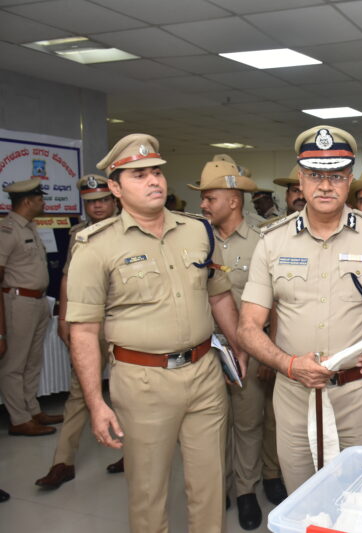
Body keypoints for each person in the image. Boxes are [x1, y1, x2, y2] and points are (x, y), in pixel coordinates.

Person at [66, 133, 246, 533]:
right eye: (139, 175)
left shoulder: (198, 231)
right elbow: (84, 331)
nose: (153, 181)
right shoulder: (95, 246)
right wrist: (96, 403)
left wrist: (239, 348)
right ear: (115, 188)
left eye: (157, 172)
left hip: (204, 373)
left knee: (210, 484)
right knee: (148, 491)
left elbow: (219, 296)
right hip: (143, 381)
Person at [237, 125, 362, 494]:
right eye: (314, 175)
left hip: (360, 395)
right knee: (303, 496)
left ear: (349, 180)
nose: (325, 185)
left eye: (335, 176)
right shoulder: (272, 241)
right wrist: (288, 365)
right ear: (300, 180)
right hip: (294, 396)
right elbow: (248, 327)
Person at [188, 159, 285, 529]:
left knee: (248, 422)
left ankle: (247, 489)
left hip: (248, 347)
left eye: (210, 198)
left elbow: (277, 303)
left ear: (233, 200)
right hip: (205, 349)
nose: (203, 205)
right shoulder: (197, 239)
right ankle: (222, 484)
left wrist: (269, 355)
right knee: (210, 425)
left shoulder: (263, 241)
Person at [36, 174, 120, 489]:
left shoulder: (130, 230)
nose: (97, 207)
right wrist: (63, 318)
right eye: (91, 202)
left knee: (128, 391)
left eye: (103, 200)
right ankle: (63, 462)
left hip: (124, 320)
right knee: (80, 391)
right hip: (89, 322)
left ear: (115, 200)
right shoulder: (78, 233)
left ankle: (134, 453)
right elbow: (68, 276)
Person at [0, 178, 63, 437]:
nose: (43, 203)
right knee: (14, 364)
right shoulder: (7, 230)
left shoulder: (31, 227)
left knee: (32, 362)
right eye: (40, 199)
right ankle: (19, 419)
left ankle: (32, 410)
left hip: (38, 302)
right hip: (18, 303)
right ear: (27, 201)